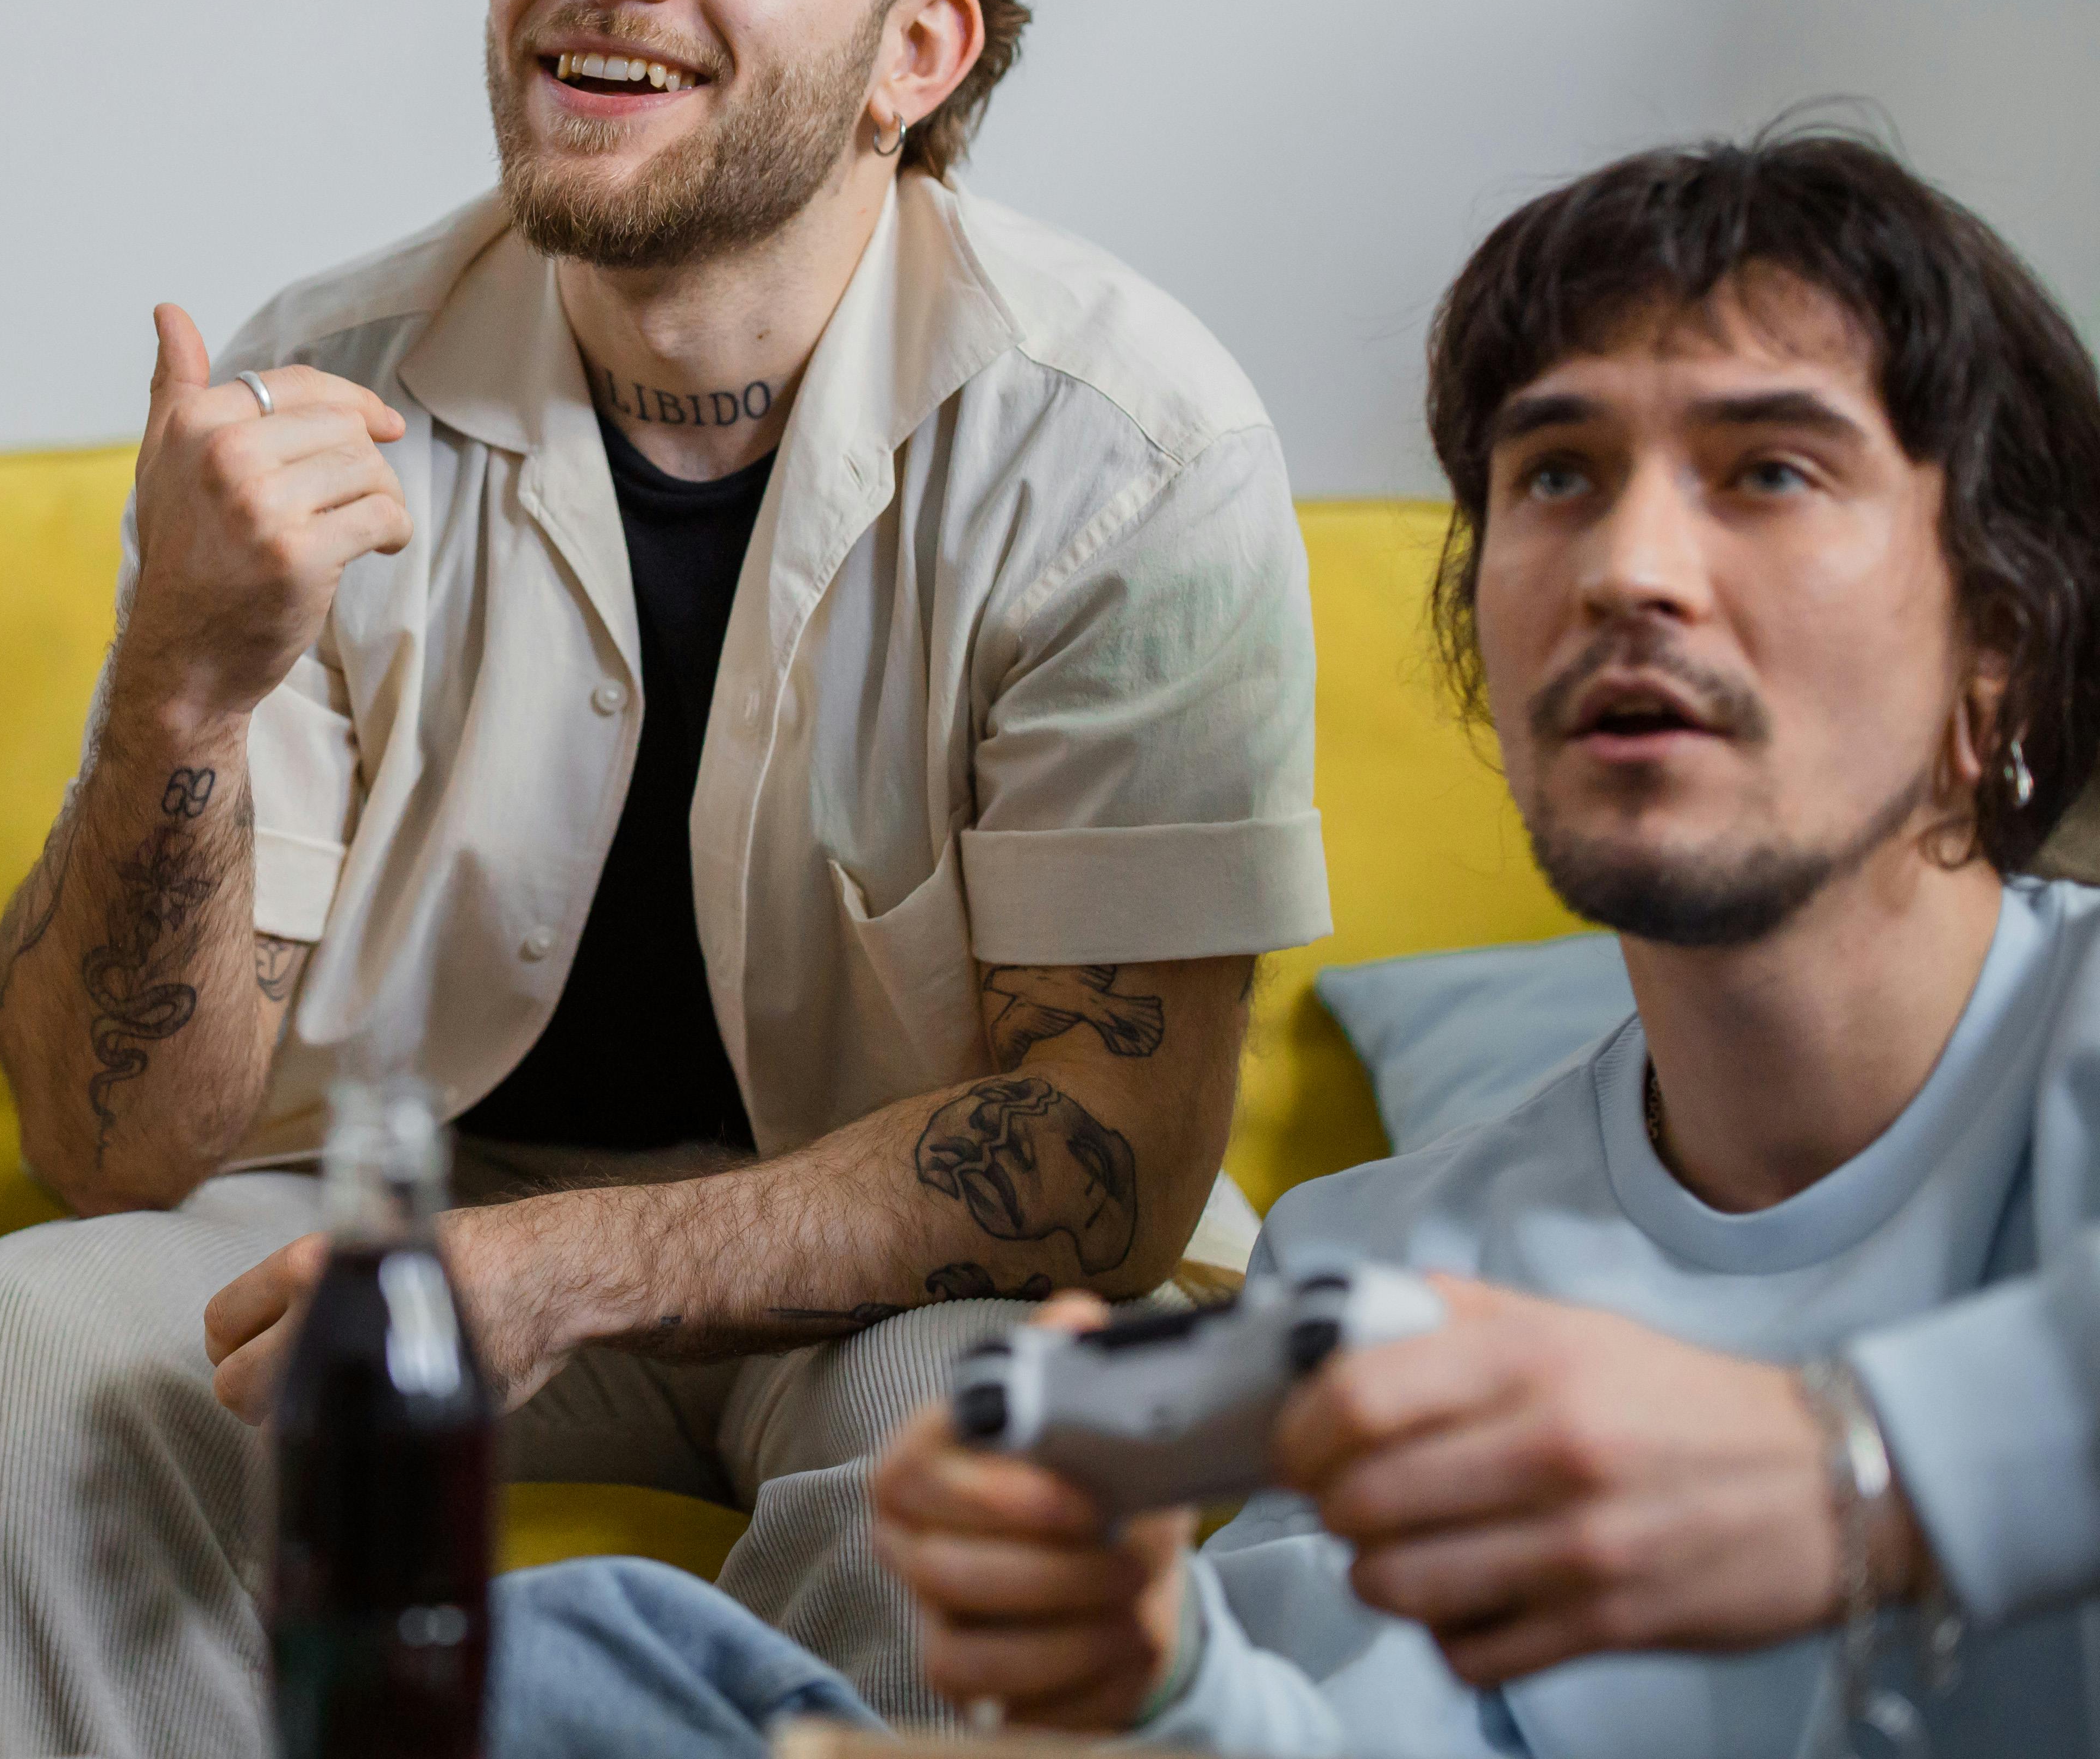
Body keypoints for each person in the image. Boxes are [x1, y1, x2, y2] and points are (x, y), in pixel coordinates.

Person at [0, 0, 1332, 1754]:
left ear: (918, 51)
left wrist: (571, 1269)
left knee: (1003, 1413)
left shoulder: (1123, 451)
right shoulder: (318, 385)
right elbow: (120, 1149)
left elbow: (1112, 1148)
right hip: (397, 1211)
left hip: (896, 1281)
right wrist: (178, 683)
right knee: (34, 1336)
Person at [504, 128, 2100, 1755]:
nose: (1629, 571)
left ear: (2002, 636)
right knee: (576, 1663)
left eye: (1771, 472)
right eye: (1557, 475)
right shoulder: (1390, 1256)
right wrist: (1155, 1676)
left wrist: (1865, 1473)